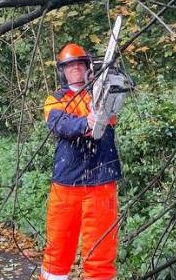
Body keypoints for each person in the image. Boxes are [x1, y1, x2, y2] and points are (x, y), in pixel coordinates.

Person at [40, 43, 122, 280]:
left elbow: (112, 114)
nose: (75, 69)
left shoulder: (102, 93)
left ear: (88, 66)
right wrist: (86, 123)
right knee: (57, 249)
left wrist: (102, 103)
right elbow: (60, 124)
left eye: (79, 64)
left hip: (101, 181)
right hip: (66, 182)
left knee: (101, 252)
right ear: (62, 71)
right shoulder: (55, 99)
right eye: (70, 66)